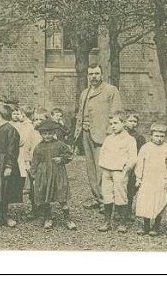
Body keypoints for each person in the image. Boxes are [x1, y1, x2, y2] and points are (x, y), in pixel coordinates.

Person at [73, 64, 123, 210]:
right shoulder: (84, 93)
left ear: (102, 74)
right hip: (86, 133)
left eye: (96, 73)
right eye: (91, 74)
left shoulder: (110, 90)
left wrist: (110, 134)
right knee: (90, 168)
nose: (93, 77)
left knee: (102, 168)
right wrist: (78, 132)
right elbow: (80, 114)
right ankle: (97, 197)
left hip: (103, 135)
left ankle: (106, 200)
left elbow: (117, 113)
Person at [30, 119, 76, 230]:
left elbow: (70, 154)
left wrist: (62, 159)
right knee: (45, 196)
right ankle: (48, 218)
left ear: (53, 133)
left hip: (57, 173)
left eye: (49, 133)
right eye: (44, 134)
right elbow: (35, 161)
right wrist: (34, 175)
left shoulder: (60, 145)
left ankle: (68, 219)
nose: (47, 136)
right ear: (41, 134)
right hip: (44, 174)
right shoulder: (38, 147)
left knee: (61, 196)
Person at [96, 114, 138, 233]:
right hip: (107, 170)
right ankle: (107, 222)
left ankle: (122, 223)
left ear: (123, 123)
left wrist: (126, 169)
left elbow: (133, 157)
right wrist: (103, 166)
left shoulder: (130, 140)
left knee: (121, 196)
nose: (113, 126)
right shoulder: (109, 139)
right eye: (111, 124)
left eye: (116, 123)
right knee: (107, 195)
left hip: (120, 171)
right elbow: (102, 152)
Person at [134, 122, 167, 236]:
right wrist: (138, 178)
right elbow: (140, 164)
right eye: (156, 136)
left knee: (159, 202)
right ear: (151, 135)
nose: (159, 139)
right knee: (145, 203)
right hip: (147, 180)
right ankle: (146, 225)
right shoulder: (145, 148)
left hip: (160, 180)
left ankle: (156, 226)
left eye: (162, 136)